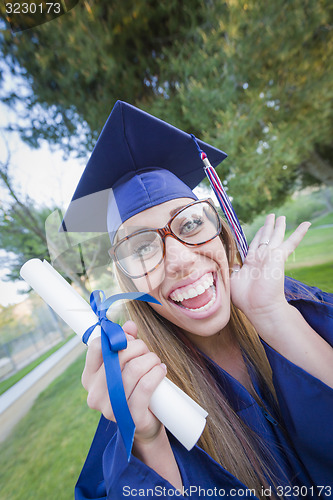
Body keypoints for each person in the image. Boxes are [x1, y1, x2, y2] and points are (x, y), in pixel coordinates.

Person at [62, 101, 333, 499]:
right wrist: (149, 441)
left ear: (222, 234)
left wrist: (274, 317)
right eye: (142, 248)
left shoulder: (300, 310)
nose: (181, 261)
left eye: (190, 223)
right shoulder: (140, 395)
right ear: (127, 277)